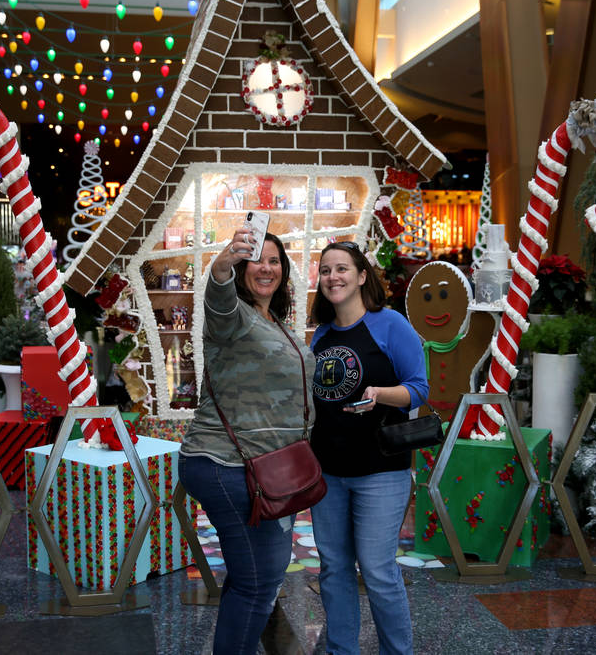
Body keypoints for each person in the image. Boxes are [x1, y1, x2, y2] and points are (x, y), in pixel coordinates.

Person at [178, 226, 315, 655]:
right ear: (241, 267)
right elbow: (217, 292)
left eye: (275, 261)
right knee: (261, 580)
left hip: (267, 468)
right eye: (257, 259)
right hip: (227, 463)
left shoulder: (276, 322)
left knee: (249, 575)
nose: (267, 268)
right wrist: (222, 263)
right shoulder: (232, 315)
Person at [308, 241, 428, 655]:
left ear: (361, 276)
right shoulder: (320, 336)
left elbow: (418, 389)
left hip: (381, 469)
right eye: (325, 271)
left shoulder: (390, 325)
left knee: (377, 571)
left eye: (341, 269)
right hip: (326, 471)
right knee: (334, 569)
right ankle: (343, 650)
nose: (332, 277)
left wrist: (379, 394)